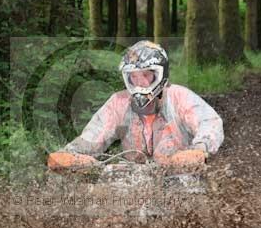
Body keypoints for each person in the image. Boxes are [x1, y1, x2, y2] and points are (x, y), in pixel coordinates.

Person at [47, 40, 224, 170]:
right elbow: (93, 137)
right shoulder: (119, 102)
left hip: (182, 174)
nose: (140, 82)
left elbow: (209, 122)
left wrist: (200, 148)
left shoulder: (179, 96)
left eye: (147, 75)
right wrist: (69, 154)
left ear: (161, 75)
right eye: (134, 76)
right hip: (134, 181)